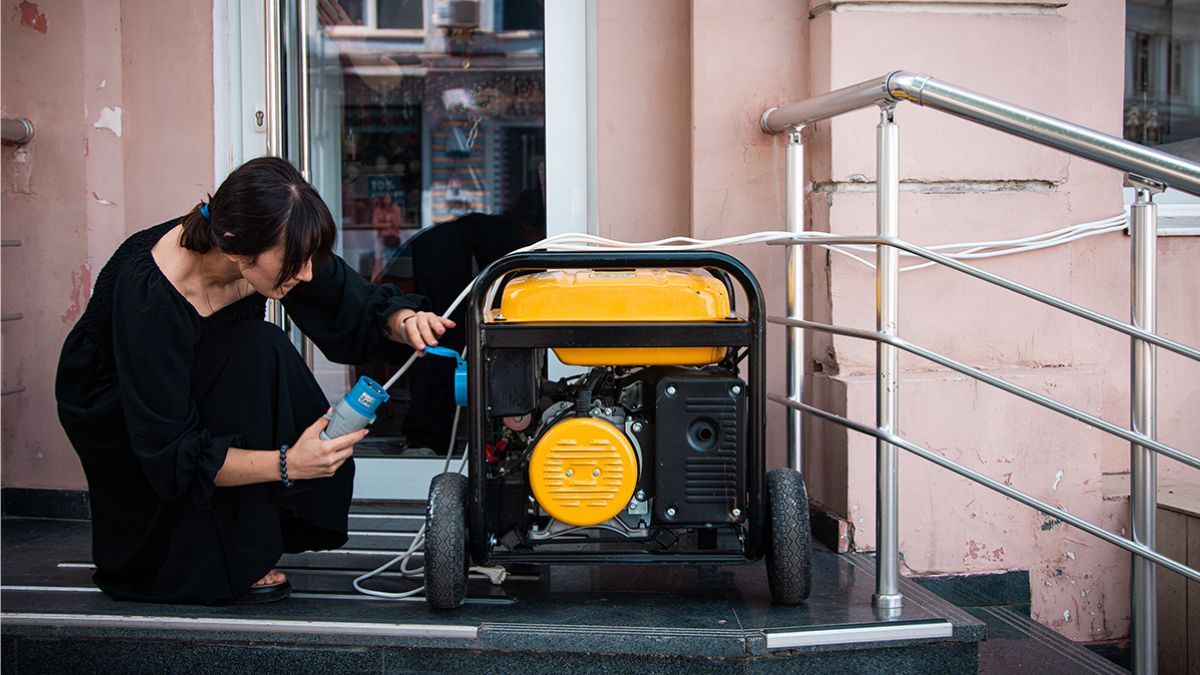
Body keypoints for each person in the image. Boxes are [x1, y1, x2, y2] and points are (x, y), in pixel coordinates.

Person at [55, 157, 454, 605]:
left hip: (199, 367)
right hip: (116, 398)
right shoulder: (153, 294)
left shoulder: (271, 246)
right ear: (233, 249)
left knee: (257, 347)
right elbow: (170, 451)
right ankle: (187, 560)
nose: (305, 273)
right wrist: (289, 464)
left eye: (310, 258)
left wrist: (404, 321)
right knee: (251, 354)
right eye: (294, 262)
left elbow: (351, 303)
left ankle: (246, 541)